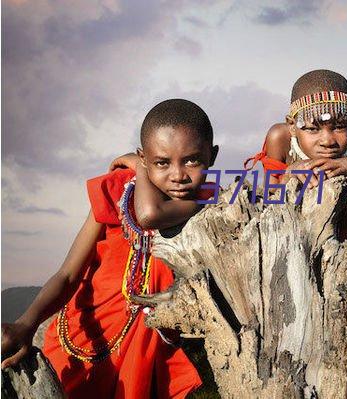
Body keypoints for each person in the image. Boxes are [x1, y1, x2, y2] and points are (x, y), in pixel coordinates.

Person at [1, 99, 219, 398]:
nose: (178, 175)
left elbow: (148, 214)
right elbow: (67, 274)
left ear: (213, 156)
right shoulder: (117, 189)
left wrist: (141, 168)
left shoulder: (209, 200)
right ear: (145, 157)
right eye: (161, 162)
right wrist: (26, 323)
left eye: (192, 160)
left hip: (142, 349)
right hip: (79, 339)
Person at [245, 69, 347, 254]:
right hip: (290, 250)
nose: (327, 140)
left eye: (339, 127)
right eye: (313, 129)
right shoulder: (280, 138)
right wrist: (290, 172)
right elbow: (268, 198)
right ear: (292, 126)